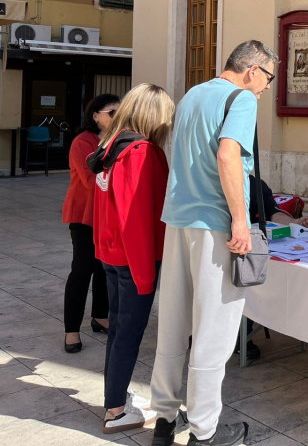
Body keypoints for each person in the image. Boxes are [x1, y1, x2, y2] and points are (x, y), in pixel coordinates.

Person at [150, 40, 277, 446]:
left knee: (173, 323)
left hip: (178, 220)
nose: (268, 88)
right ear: (252, 70)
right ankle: (204, 432)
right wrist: (239, 220)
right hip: (212, 224)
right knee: (215, 331)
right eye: (269, 78)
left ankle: (165, 420)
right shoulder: (241, 98)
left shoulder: (191, 95)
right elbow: (227, 157)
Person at [87, 84, 175, 434]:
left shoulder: (111, 146)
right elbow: (136, 217)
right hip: (134, 258)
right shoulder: (140, 151)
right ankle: (116, 410)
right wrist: (144, 274)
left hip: (112, 254)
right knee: (127, 333)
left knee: (119, 332)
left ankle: (115, 399)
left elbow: (107, 209)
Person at [62, 93, 119, 354]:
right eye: (112, 112)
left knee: (104, 269)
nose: (117, 117)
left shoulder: (118, 139)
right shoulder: (82, 142)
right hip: (85, 215)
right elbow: (90, 178)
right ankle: (71, 329)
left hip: (107, 215)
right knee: (82, 270)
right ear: (95, 116)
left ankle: (100, 316)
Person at [239, 175, 308, 360]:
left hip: (247, 248)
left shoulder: (254, 183)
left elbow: (273, 213)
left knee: (254, 271)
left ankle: (242, 336)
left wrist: (295, 222)